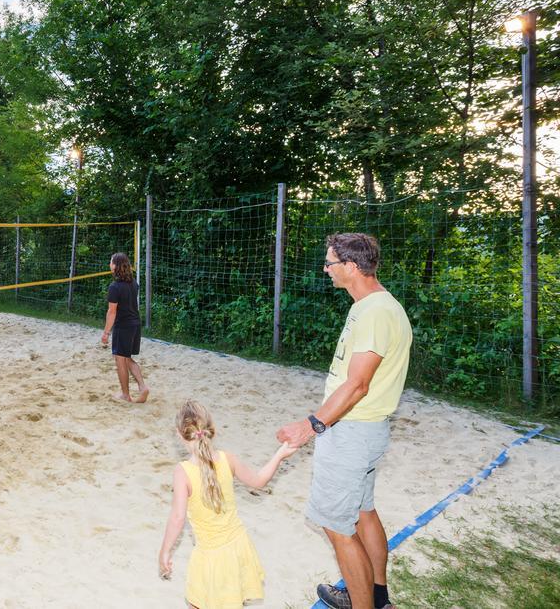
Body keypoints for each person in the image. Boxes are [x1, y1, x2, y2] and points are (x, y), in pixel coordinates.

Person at [276, 233, 411, 609]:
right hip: (364, 431)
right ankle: (377, 595)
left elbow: (358, 384)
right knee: (363, 512)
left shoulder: (375, 313)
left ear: (351, 267)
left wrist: (311, 425)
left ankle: (362, 602)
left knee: (336, 526)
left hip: (352, 432)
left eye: (330, 262)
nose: (325, 269)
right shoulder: (369, 307)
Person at [159, 400, 297, 609]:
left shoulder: (183, 472)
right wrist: (279, 454)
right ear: (211, 429)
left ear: (180, 435)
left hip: (210, 555)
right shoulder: (227, 459)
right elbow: (259, 481)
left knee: (198, 603)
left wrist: (165, 551)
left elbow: (177, 518)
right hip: (238, 547)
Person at [100, 252, 149, 403]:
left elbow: (112, 311)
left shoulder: (115, 287)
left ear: (115, 265)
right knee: (126, 358)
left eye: (111, 262)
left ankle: (125, 395)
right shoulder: (133, 283)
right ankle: (142, 387)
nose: (109, 264)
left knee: (120, 360)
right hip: (135, 324)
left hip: (124, 326)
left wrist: (106, 333)